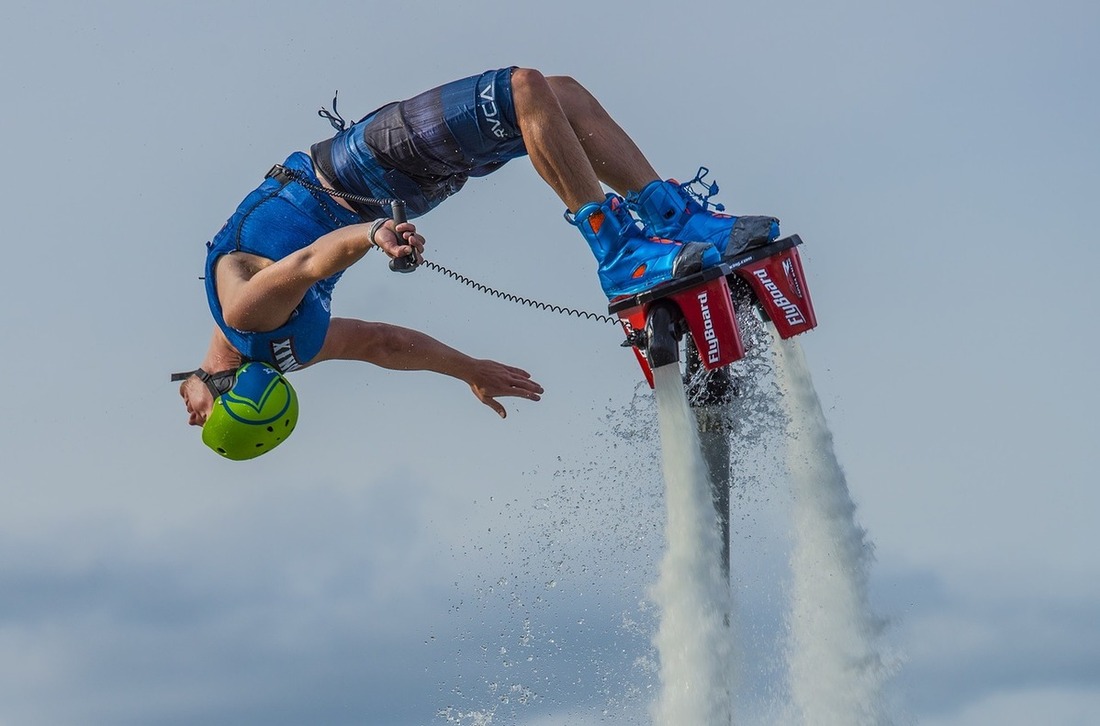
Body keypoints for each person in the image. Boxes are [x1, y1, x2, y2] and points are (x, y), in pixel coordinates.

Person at [176, 67, 779, 459]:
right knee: (525, 91)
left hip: (400, 190)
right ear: (231, 392)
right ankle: (622, 255)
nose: (189, 417)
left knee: (557, 99)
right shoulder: (247, 315)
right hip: (364, 170)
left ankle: (676, 222)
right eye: (206, 423)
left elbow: (384, 344)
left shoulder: (291, 351)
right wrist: (375, 234)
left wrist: (468, 369)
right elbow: (311, 260)